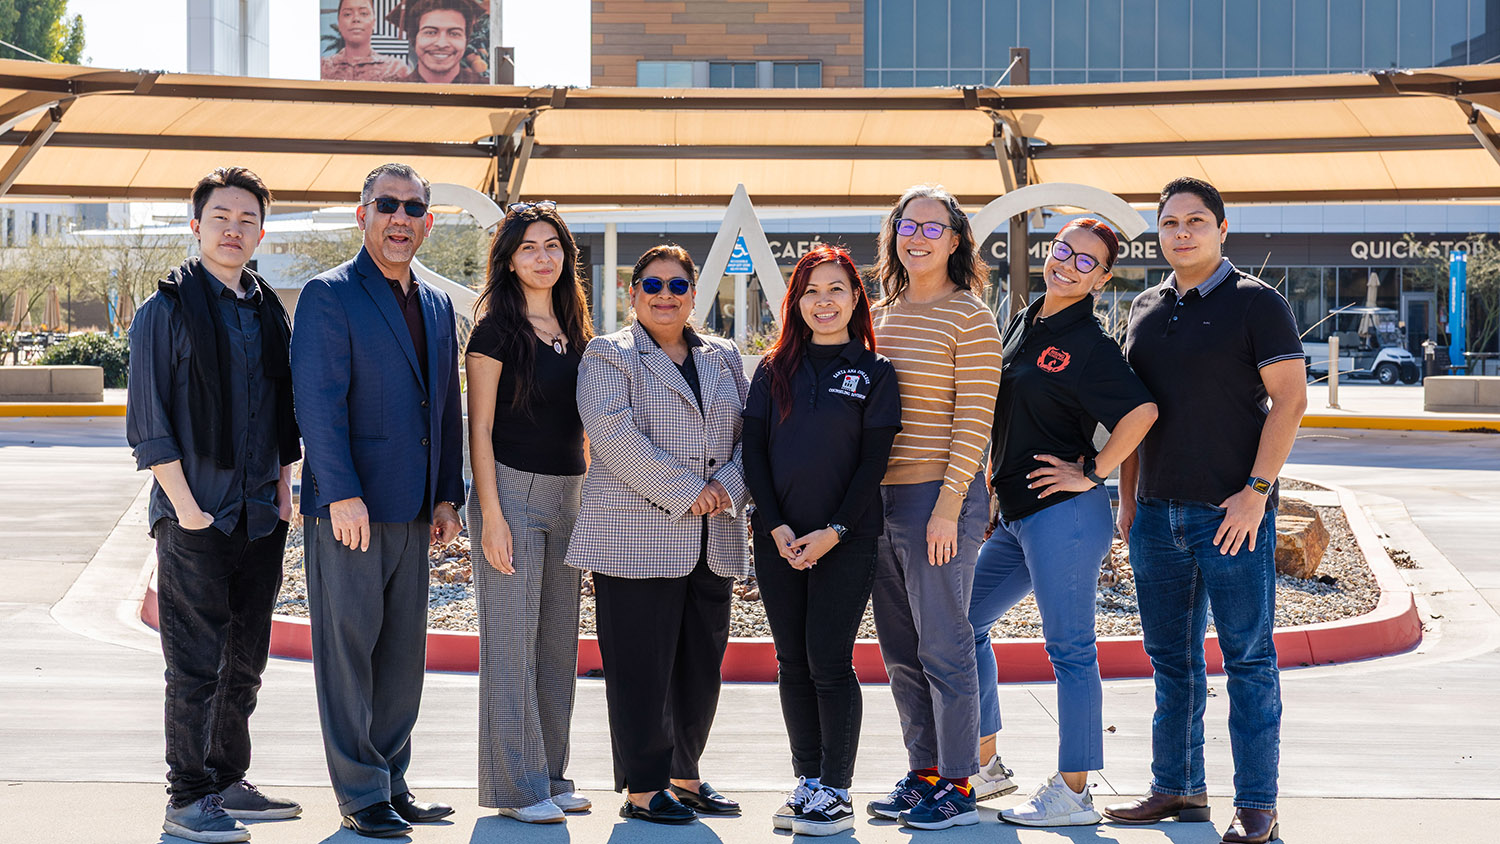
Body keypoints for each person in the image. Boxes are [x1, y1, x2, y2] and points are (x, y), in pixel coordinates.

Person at [1103, 177, 1307, 844]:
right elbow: (1134, 417)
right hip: (1156, 516)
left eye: (1195, 221)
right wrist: (1128, 501)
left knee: (1248, 659)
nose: (1181, 232)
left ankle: (1257, 807)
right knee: (1172, 662)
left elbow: (1291, 400)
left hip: (1231, 516)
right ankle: (1179, 788)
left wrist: (1256, 492)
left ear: (1222, 229)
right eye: (1169, 223)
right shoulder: (1144, 309)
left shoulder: (1258, 303)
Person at [290, 163, 465, 839]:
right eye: (387, 204)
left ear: (425, 221)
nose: (401, 217)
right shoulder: (328, 295)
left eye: (413, 207)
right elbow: (318, 406)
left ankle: (392, 780)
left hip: (415, 510)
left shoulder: (436, 304)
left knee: (400, 657)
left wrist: (448, 498)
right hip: (351, 512)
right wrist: (341, 494)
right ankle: (361, 795)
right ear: (362, 214)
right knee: (349, 654)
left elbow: (444, 408)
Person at [128, 166, 302, 844]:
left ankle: (228, 779)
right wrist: (189, 509)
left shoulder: (267, 309)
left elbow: (279, 411)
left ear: (261, 230)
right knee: (196, 665)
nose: (235, 229)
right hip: (193, 514)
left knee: (245, 661)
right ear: (195, 224)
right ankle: (188, 797)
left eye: (248, 219)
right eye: (221, 217)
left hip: (260, 514)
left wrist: (285, 485)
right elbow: (149, 424)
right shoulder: (164, 311)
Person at [967, 218, 1159, 827]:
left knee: (1071, 652)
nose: (1067, 264)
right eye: (1063, 251)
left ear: (1102, 279)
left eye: (1086, 261)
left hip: (1066, 517)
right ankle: (986, 765)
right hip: (1019, 516)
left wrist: (1095, 471)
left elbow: (1143, 411)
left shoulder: (1092, 346)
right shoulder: (1026, 320)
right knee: (963, 623)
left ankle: (1075, 793)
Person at [566, 244, 750, 826]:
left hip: (712, 535)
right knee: (641, 666)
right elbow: (612, 435)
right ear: (633, 294)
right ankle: (644, 786)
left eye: (677, 286)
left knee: (700, 664)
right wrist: (685, 491)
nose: (665, 295)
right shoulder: (608, 354)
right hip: (636, 535)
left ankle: (685, 775)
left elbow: (754, 433)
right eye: (653, 285)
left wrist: (724, 485)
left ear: (694, 295)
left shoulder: (724, 356)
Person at [743, 245, 901, 837]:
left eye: (836, 289)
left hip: (846, 539)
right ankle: (807, 779)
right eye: (811, 291)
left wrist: (834, 531)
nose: (823, 301)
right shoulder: (771, 369)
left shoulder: (875, 374)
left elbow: (873, 464)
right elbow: (753, 452)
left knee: (828, 662)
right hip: (778, 537)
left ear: (857, 297)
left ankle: (836, 790)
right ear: (795, 302)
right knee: (790, 662)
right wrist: (778, 524)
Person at [865, 185, 1004, 831]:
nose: (917, 237)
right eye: (907, 225)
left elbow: (975, 420)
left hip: (937, 502)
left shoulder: (969, 315)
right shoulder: (881, 313)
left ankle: (959, 784)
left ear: (955, 240)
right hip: (880, 501)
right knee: (899, 650)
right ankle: (923, 773)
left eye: (932, 227)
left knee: (945, 646)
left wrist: (950, 508)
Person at [465, 200, 594, 824]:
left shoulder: (577, 329)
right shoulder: (495, 330)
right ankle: (515, 788)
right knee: (511, 644)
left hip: (570, 495)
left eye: (552, 246)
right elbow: (480, 429)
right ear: (509, 259)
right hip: (511, 494)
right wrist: (491, 514)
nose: (543, 258)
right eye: (528, 248)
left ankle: (549, 772)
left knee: (556, 646)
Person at [399, 0, 487, 84]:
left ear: (466, 40)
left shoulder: (489, 94)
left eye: (454, 34)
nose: (442, 44)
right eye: (430, 32)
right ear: (414, 39)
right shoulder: (393, 93)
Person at [321, 0, 409, 82]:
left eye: (363, 13)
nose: (356, 19)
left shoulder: (395, 69)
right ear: (339, 23)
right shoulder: (322, 68)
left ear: (373, 23)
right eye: (347, 14)